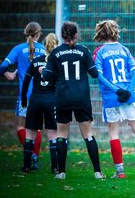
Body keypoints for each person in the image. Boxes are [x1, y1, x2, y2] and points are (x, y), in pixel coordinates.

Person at [93, 20, 135, 178]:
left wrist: (117, 90)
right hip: (129, 97)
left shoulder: (100, 52)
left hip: (112, 98)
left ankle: (120, 171)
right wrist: (128, 90)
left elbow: (99, 75)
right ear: (116, 32)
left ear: (102, 33)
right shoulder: (124, 50)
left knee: (114, 134)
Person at [41, 21, 105, 180]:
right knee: (88, 134)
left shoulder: (55, 53)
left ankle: (61, 173)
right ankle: (97, 172)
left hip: (63, 97)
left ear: (62, 36)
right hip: (81, 97)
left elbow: (46, 76)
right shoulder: (84, 51)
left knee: (61, 134)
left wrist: (50, 71)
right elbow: (95, 74)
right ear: (76, 35)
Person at [0, 22, 45, 169]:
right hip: (41, 95)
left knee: (20, 126)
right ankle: (34, 158)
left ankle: (31, 155)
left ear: (26, 33)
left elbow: (4, 65)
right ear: (39, 34)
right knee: (36, 128)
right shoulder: (43, 49)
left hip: (26, 95)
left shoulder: (18, 49)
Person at [20, 33, 58, 174]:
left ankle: (26, 167)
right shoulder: (57, 63)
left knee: (30, 135)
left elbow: (26, 81)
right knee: (53, 135)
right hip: (51, 101)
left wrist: (24, 99)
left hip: (35, 100)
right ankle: (55, 167)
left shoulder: (36, 61)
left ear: (44, 45)